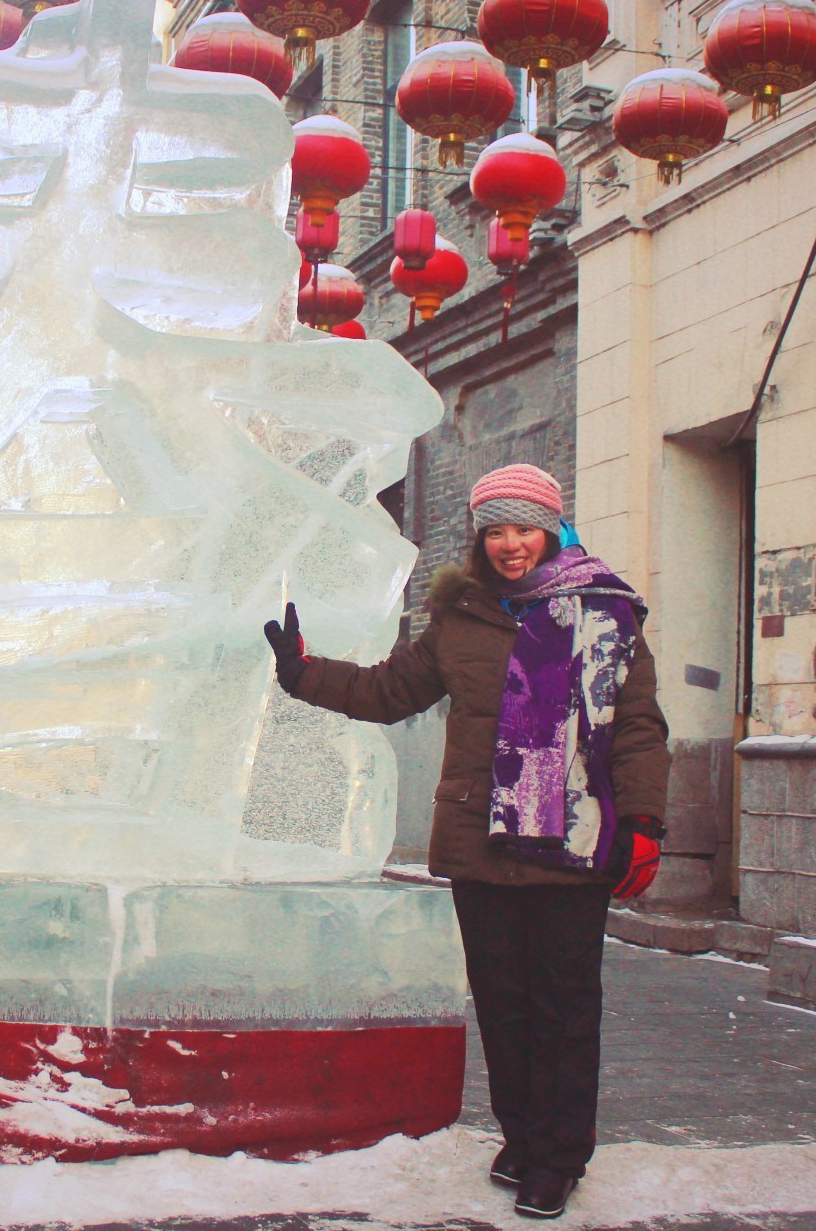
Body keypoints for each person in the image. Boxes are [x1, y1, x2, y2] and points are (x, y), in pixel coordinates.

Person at [264, 463, 670, 1220]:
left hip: (573, 840)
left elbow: (639, 724)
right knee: (504, 1003)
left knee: (565, 1007)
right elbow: (389, 690)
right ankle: (521, 1136)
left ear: (551, 529)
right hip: (482, 845)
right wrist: (303, 672)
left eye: (523, 528)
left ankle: (558, 1157)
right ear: (478, 538)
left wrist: (645, 821)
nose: (510, 544)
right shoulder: (462, 616)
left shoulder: (607, 610)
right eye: (495, 530)